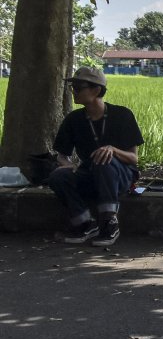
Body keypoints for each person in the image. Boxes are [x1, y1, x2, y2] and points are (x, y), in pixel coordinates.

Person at [47, 67, 142, 247]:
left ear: (96, 90)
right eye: (72, 88)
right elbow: (62, 155)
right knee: (58, 176)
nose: (74, 92)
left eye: (78, 88)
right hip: (90, 174)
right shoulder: (73, 119)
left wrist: (113, 150)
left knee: (104, 161)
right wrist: (68, 165)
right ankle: (85, 223)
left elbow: (133, 159)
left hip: (118, 176)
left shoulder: (122, 115)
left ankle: (109, 223)